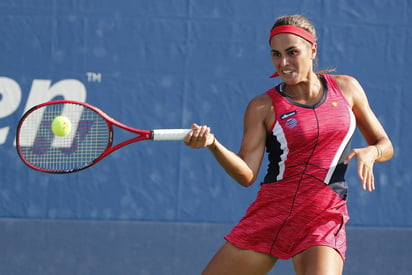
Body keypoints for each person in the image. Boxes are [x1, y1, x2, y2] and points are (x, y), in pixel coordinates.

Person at [184, 14, 393, 275]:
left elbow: (385, 144)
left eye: (292, 52)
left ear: (312, 49)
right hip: (271, 213)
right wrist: (213, 144)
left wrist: (372, 151)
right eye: (276, 54)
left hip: (323, 215)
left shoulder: (347, 88)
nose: (283, 63)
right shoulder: (262, 106)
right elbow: (247, 174)